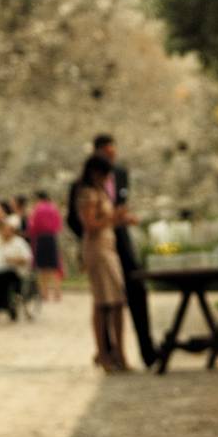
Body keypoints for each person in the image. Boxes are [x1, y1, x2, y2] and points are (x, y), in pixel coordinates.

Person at [93, 134, 157, 367]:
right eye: (107, 153)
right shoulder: (86, 183)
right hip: (100, 246)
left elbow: (120, 205)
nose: (112, 157)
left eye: (113, 153)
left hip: (122, 243)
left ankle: (147, 350)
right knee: (107, 301)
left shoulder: (120, 174)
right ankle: (108, 352)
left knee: (136, 291)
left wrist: (122, 220)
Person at [77, 155, 128, 371]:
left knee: (116, 301)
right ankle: (105, 354)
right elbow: (89, 225)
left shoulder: (100, 192)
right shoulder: (88, 194)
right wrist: (112, 218)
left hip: (108, 247)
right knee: (103, 302)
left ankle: (118, 352)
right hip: (98, 250)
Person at [0, 214, 33, 320]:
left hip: (13, 271)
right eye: (3, 229)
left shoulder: (19, 242)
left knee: (3, 278)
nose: (5, 232)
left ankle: (6, 305)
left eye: (8, 229)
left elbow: (27, 259)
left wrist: (13, 259)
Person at [28, 191, 63, 301]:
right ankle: (57, 292)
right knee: (54, 266)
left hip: (41, 238)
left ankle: (44, 293)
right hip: (52, 237)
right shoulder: (54, 208)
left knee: (42, 267)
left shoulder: (37, 209)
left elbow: (33, 226)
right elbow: (59, 224)